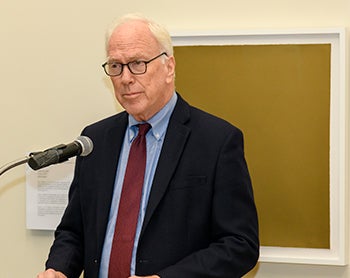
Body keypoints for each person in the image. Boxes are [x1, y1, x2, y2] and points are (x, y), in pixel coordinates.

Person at [37, 13, 259, 278]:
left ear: (170, 67)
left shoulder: (217, 141)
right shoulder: (95, 139)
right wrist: (58, 268)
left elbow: (239, 245)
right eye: (116, 66)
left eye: (137, 63)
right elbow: (74, 230)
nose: (126, 78)